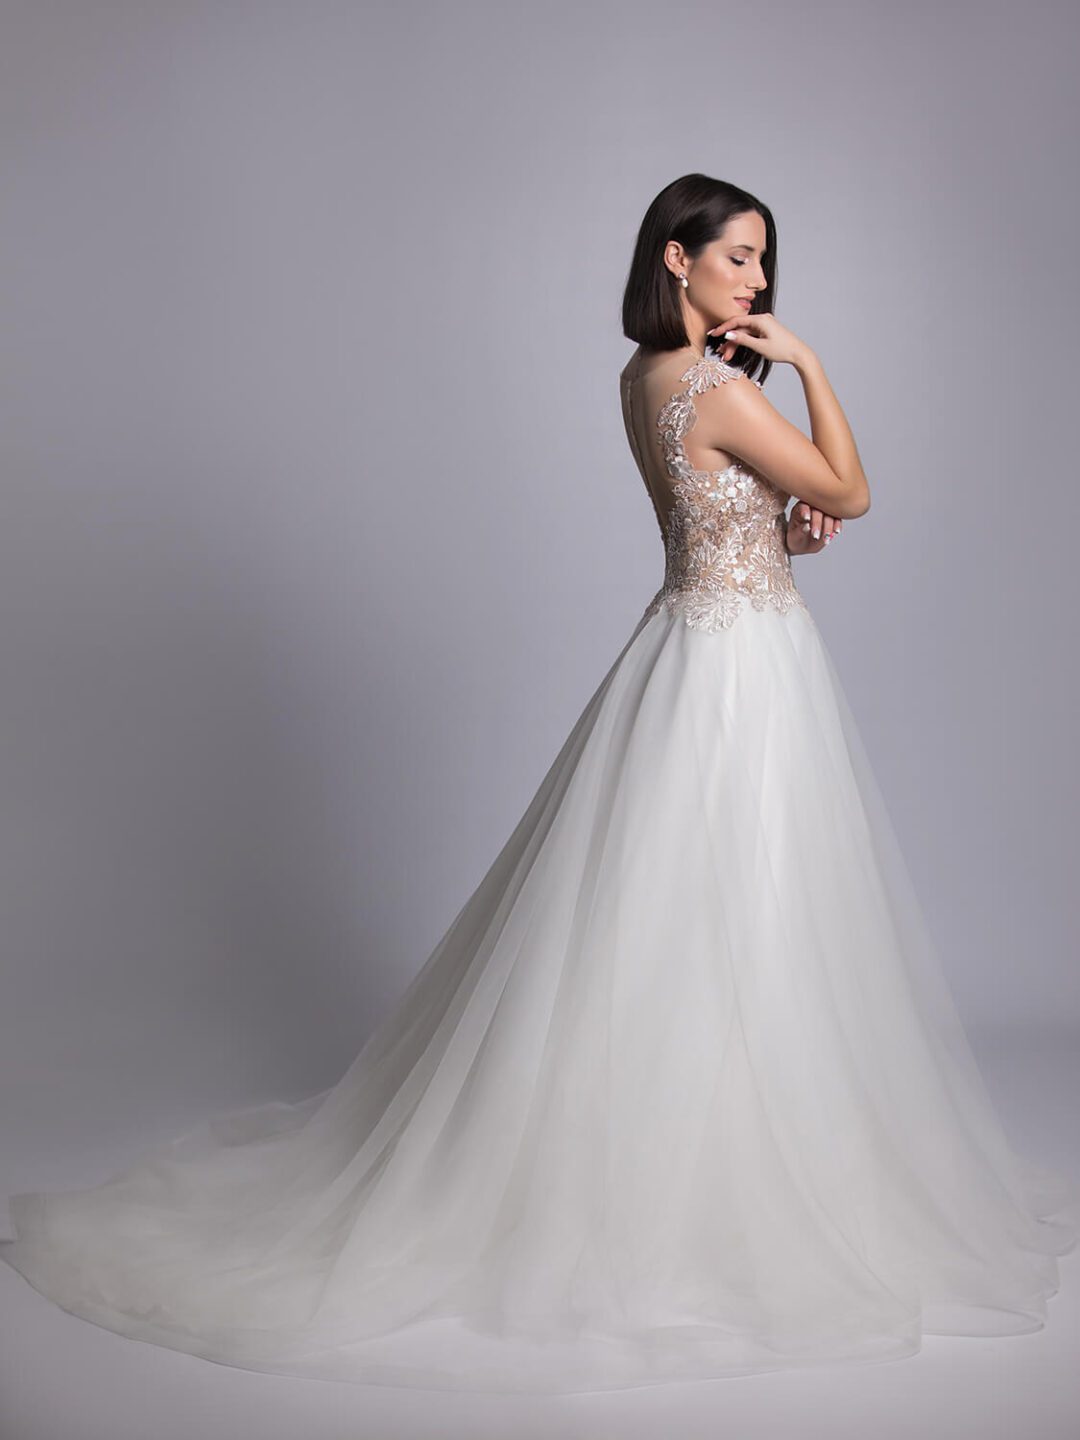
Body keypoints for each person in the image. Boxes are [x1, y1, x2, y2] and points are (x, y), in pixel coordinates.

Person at [4, 173, 1078, 1396]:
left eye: (765, 261)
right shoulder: (723, 386)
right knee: (734, 911)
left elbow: (722, 523)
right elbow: (854, 491)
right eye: (738, 257)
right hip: (741, 671)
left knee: (692, 915)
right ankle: (706, 1181)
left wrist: (776, 533)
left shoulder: (645, 378)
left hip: (699, 641)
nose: (759, 280)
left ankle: (697, 1150)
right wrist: (814, 368)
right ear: (675, 259)